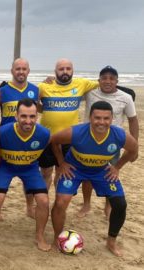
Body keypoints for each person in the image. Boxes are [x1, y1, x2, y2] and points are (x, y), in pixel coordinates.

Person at [51, 101, 138, 257]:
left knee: (120, 204)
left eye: (106, 118)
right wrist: (61, 163)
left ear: (112, 119)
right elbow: (54, 141)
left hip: (101, 170)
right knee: (60, 201)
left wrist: (117, 167)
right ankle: (58, 237)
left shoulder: (119, 135)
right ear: (90, 117)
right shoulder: (76, 132)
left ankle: (111, 242)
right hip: (74, 169)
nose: (102, 122)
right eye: (97, 118)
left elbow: (133, 150)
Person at [0, 98, 51, 251]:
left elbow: (49, 147)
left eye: (32, 116)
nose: (28, 121)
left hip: (29, 168)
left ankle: (40, 236)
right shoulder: (2, 132)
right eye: (23, 116)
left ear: (37, 116)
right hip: (6, 167)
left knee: (43, 201)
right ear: (16, 116)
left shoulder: (44, 134)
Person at [78, 66, 139, 218]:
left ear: (117, 81)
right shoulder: (90, 93)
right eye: (104, 78)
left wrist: (134, 147)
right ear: (98, 80)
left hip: (112, 145)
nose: (107, 81)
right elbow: (70, 92)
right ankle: (86, 204)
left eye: (111, 78)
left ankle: (108, 206)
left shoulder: (125, 97)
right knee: (87, 176)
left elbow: (133, 121)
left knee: (110, 175)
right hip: (88, 141)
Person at [38, 58, 99, 190]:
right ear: (55, 72)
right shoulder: (44, 86)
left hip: (69, 139)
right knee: (45, 173)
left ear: (72, 71)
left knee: (62, 172)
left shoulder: (81, 84)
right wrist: (45, 108)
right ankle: (43, 203)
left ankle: (57, 204)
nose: (65, 71)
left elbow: (103, 83)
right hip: (47, 137)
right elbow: (34, 105)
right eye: (61, 69)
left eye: (68, 69)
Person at [0, 58, 40, 218]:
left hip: (29, 139)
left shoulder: (36, 90)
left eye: (24, 69)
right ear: (12, 71)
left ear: (28, 71)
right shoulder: (2, 91)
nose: (21, 72)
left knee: (28, 176)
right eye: (18, 69)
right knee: (1, 175)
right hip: (6, 139)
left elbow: (42, 108)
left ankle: (30, 207)